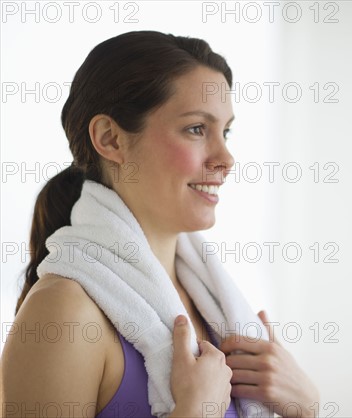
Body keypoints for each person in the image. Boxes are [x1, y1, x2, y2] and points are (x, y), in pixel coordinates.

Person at [1, 30, 319, 418]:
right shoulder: (64, 312)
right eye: (197, 129)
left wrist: (306, 408)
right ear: (110, 138)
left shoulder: (219, 309)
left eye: (226, 130)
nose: (226, 158)